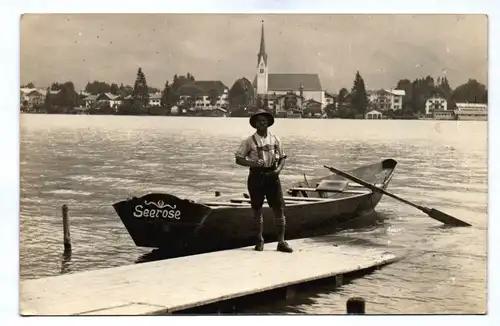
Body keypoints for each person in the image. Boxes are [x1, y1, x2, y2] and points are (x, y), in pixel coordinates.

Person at [234, 109, 293, 253]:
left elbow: (283, 158)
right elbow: (238, 159)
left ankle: (281, 242)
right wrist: (253, 164)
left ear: (268, 123)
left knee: (279, 209)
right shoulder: (248, 141)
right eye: (259, 121)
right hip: (256, 176)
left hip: (273, 175)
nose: (262, 123)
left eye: (264, 120)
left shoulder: (275, 139)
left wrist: (278, 171)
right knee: (257, 209)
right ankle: (259, 241)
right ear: (255, 124)